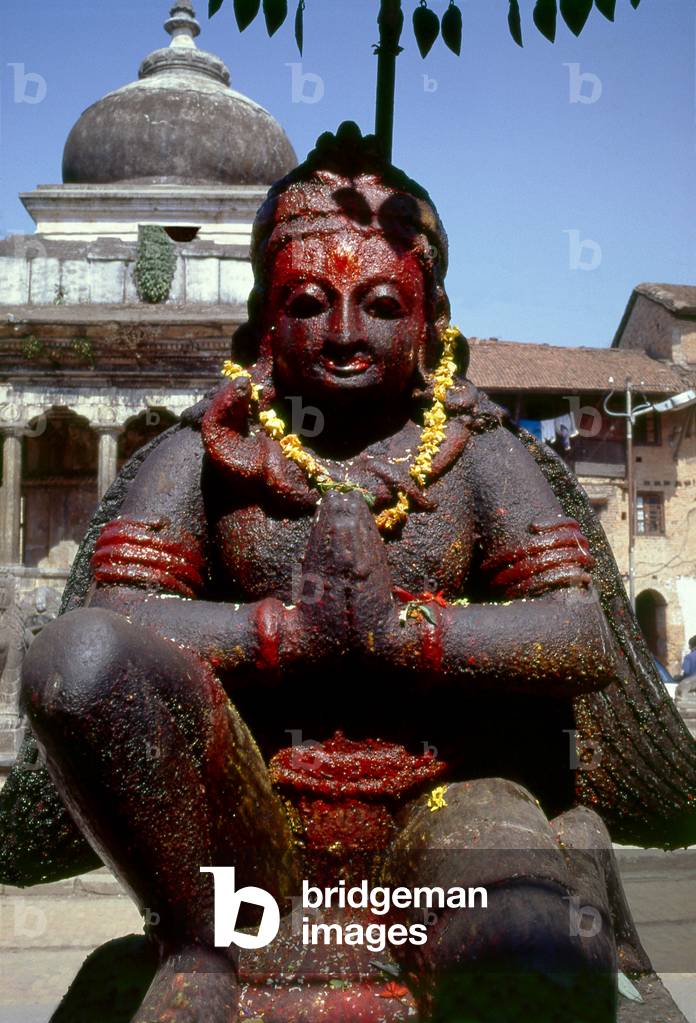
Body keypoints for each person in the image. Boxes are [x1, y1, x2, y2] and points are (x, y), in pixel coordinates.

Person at [20, 123, 639, 1022]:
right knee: (75, 661)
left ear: (431, 322)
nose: (345, 334)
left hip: (445, 798)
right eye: (310, 302)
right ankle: (198, 945)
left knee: (532, 958)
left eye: (383, 305)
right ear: (265, 322)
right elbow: (112, 626)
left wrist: (403, 634)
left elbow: (580, 637)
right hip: (249, 824)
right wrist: (284, 633)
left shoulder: (477, 456)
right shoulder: (206, 454)